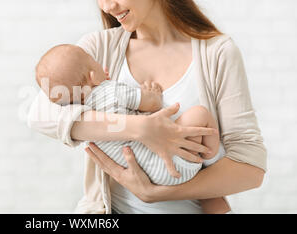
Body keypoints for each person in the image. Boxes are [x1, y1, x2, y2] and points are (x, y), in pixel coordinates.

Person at [27, 0, 266, 214]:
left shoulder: (217, 53)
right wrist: (140, 128)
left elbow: (250, 168)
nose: (107, 6)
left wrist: (157, 193)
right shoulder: (99, 47)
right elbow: (40, 115)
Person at [34, 44, 230, 213]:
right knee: (200, 114)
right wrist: (151, 93)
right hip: (172, 166)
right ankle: (210, 162)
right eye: (94, 61)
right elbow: (151, 104)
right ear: (93, 75)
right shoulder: (111, 91)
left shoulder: (80, 115)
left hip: (148, 175)